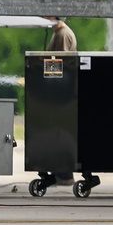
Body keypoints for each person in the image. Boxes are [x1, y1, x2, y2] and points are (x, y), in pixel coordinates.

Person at [45, 17, 77, 185]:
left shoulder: (62, 34)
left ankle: (64, 174)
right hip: (61, 89)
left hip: (61, 90)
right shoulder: (58, 33)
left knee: (59, 130)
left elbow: (60, 62)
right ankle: (60, 172)